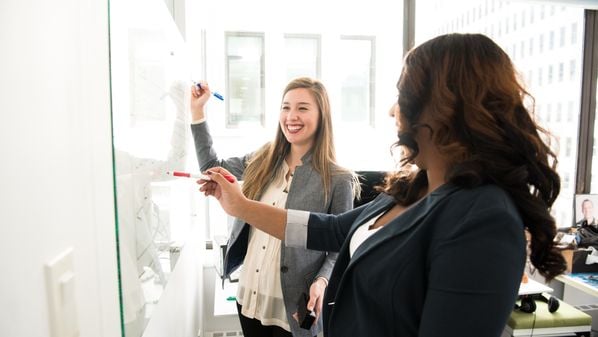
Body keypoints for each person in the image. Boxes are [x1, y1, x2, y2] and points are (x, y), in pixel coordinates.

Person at [198, 33, 567, 337]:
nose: (393, 111)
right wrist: (240, 206)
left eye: (402, 94)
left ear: (443, 106)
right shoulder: (411, 188)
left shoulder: (483, 219)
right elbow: (332, 229)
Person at [189, 77, 357, 337]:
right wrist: (197, 111)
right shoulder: (263, 159)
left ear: (322, 115)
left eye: (302, 108)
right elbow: (211, 166)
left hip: (293, 307)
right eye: (285, 107)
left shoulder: (338, 179)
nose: (291, 116)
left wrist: (322, 281)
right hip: (249, 296)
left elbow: (340, 246)